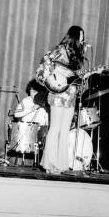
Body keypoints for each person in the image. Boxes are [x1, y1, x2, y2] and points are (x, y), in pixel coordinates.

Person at [36, 26, 87, 174]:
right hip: (58, 93)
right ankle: (49, 165)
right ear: (74, 37)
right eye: (81, 36)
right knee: (55, 128)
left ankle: (61, 164)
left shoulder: (77, 55)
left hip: (70, 95)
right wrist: (52, 79)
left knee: (65, 130)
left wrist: (85, 76)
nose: (83, 39)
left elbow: (75, 76)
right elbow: (45, 63)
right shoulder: (60, 49)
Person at [9, 79, 49, 166]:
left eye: (35, 91)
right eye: (31, 91)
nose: (33, 94)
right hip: (28, 129)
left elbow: (47, 118)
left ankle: (44, 163)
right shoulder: (25, 101)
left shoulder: (45, 102)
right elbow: (16, 114)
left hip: (42, 129)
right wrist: (32, 109)